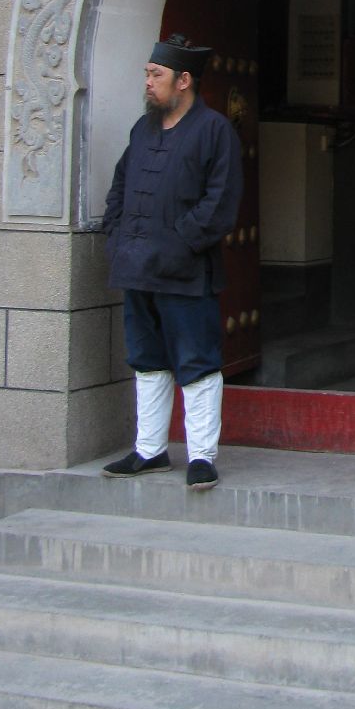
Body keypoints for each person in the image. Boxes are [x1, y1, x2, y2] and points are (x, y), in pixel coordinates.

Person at [101, 34, 243, 491]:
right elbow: (120, 187)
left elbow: (220, 202)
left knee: (197, 361)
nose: (148, 81)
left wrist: (179, 243)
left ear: (183, 80)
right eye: (147, 73)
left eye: (155, 74)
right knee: (146, 360)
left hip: (186, 273)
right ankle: (149, 450)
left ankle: (201, 456)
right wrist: (117, 237)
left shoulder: (214, 130)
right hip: (136, 269)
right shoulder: (142, 130)